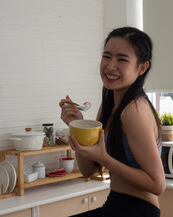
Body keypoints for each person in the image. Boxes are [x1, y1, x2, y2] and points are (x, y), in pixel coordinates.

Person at [59, 27, 165, 217]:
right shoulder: (110, 105)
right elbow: (88, 170)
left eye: (122, 59)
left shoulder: (133, 112)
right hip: (115, 205)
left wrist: (105, 159)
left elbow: (158, 185)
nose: (110, 66)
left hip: (138, 211)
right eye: (107, 56)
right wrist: (77, 126)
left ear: (142, 68)